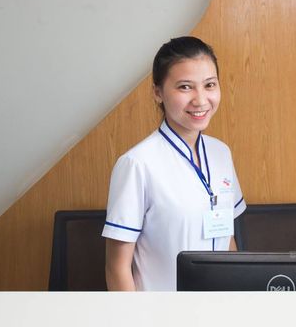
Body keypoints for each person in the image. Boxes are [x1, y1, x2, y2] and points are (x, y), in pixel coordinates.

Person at [103, 36, 246, 291]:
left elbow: (227, 238)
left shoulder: (221, 153)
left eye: (209, 85)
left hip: (217, 306)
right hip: (162, 309)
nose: (200, 100)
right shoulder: (137, 164)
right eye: (185, 87)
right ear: (158, 92)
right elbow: (117, 268)